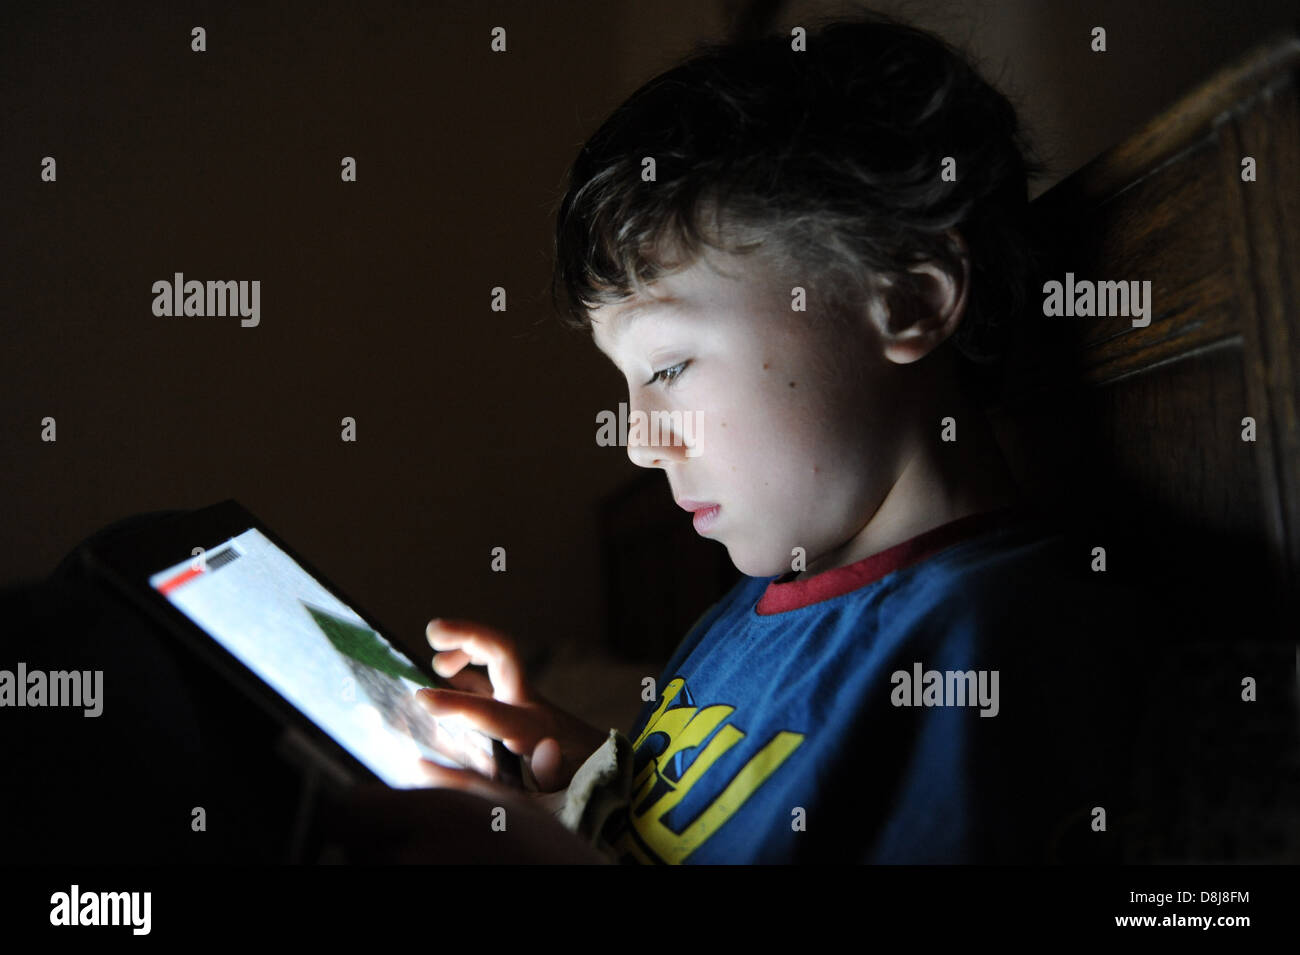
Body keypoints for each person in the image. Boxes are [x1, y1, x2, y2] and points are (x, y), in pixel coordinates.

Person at [383, 12, 1157, 864]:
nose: (639, 441)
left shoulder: (992, 639)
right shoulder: (757, 608)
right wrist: (579, 766)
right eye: (628, 379)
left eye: (670, 366)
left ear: (907, 301)